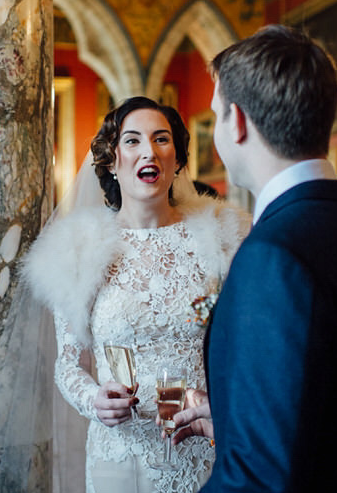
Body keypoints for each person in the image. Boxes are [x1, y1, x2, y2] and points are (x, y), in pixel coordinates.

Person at [173, 25, 337, 492]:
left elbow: (257, 480)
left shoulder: (273, 255)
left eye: (215, 116)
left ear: (239, 121)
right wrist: (239, 421)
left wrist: (252, 446)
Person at [22, 96, 250, 493]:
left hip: (204, 447)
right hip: (120, 455)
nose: (149, 151)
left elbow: (249, 346)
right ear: (112, 159)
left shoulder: (222, 239)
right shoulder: (79, 250)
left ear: (177, 158)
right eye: (132, 141)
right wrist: (95, 398)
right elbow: (68, 365)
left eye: (162, 140)